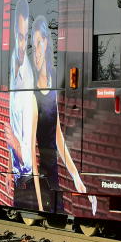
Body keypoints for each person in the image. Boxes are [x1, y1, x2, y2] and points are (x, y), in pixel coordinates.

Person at [30, 16, 95, 214]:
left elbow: (58, 135)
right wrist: (38, 202)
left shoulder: (54, 78)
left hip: (53, 172)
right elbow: (30, 149)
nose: (36, 50)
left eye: (39, 42)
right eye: (33, 44)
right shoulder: (30, 87)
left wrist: (76, 177)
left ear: (47, 42)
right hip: (39, 172)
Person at [7, 0, 39, 208]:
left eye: (25, 37)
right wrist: (9, 168)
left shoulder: (27, 78)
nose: (21, 44)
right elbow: (13, 124)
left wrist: (16, 146)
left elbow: (28, 157)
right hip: (17, 174)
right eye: (19, 37)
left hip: (25, 176)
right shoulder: (13, 60)